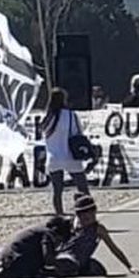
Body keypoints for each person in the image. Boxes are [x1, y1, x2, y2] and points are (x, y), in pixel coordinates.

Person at [55, 194, 139, 277]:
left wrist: (130, 267)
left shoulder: (98, 229)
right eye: (80, 215)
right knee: (66, 264)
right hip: (65, 257)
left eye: (88, 214)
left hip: (81, 261)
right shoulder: (71, 224)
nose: (84, 217)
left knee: (99, 270)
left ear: (94, 212)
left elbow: (113, 248)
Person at [41, 88, 92, 216]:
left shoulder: (48, 117)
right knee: (82, 187)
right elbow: (78, 133)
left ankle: (60, 214)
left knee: (57, 191)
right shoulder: (70, 115)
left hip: (53, 157)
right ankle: (86, 211)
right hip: (70, 156)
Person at [0, 217, 71, 278]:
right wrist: (61, 264)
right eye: (60, 240)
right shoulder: (47, 234)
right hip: (18, 260)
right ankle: (23, 275)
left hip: (9, 256)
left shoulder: (39, 229)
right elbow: (47, 257)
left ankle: (10, 273)